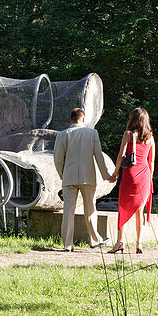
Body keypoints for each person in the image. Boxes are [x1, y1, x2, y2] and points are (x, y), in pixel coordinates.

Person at [53, 107, 116, 252]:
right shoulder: (92, 133)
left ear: (71, 119)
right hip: (88, 177)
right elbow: (99, 157)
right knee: (90, 209)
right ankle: (94, 240)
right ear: (83, 119)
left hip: (69, 177)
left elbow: (57, 159)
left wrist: (63, 175)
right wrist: (106, 176)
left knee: (68, 211)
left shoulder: (62, 135)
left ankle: (67, 244)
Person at [109, 107, 155, 254]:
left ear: (133, 120)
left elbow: (121, 155)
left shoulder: (128, 135)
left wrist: (116, 173)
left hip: (130, 175)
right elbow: (151, 162)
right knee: (139, 211)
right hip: (144, 176)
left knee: (122, 207)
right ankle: (139, 243)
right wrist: (150, 178)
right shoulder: (150, 138)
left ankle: (119, 242)